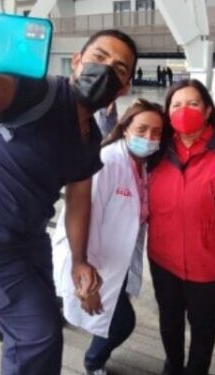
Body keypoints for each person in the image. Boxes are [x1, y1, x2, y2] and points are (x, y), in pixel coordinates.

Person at [0, 20, 137, 375]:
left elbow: (79, 199)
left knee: (40, 331)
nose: (105, 71)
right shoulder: (36, 91)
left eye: (118, 69)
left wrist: (79, 260)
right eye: (98, 57)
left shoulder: (89, 140)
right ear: (76, 61)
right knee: (36, 336)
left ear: (124, 87)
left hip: (28, 238)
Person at [52, 99, 166, 375]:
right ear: (125, 128)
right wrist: (84, 281)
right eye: (141, 130)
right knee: (122, 323)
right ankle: (93, 363)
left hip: (118, 261)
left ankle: (95, 359)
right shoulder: (107, 161)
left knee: (113, 316)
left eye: (156, 133)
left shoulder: (143, 165)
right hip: (93, 262)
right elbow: (82, 219)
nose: (149, 138)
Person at [148, 79, 215, 375]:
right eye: (176, 104)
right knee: (169, 321)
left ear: (208, 110)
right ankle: (172, 367)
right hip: (163, 259)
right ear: (167, 111)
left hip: (210, 264)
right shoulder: (155, 150)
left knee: (204, 327)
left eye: (193, 103)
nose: (184, 110)